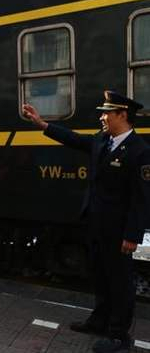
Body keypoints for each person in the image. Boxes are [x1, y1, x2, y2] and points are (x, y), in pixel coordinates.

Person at [23, 91, 150, 353]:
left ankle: (118, 336)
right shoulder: (104, 141)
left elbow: (142, 199)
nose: (102, 117)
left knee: (120, 281)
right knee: (101, 276)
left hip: (118, 230)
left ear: (122, 115)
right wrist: (42, 125)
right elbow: (75, 140)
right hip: (95, 224)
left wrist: (133, 235)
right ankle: (99, 321)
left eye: (107, 113)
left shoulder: (140, 152)